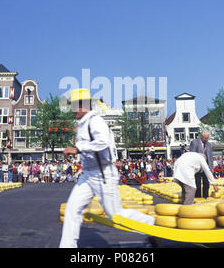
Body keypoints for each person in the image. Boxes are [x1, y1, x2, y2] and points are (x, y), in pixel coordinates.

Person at [59, 88, 155, 248]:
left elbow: (102, 142)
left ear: (83, 105)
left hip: (103, 174)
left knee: (115, 214)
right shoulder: (82, 124)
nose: (72, 109)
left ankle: (150, 226)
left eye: (74, 106)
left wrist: (77, 149)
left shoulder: (95, 121)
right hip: (88, 175)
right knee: (72, 209)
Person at [189, 131, 214, 198]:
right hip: (197, 167)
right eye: (205, 138)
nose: (206, 140)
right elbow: (191, 155)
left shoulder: (208, 144)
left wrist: (211, 168)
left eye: (207, 138)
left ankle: (205, 197)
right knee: (198, 184)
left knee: (206, 183)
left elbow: (210, 157)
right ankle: (198, 197)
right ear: (201, 136)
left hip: (206, 167)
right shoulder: (194, 142)